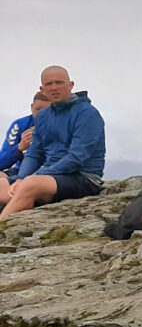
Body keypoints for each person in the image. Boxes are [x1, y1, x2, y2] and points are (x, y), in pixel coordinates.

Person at [0, 66, 106, 220]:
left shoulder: (87, 114)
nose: (54, 88)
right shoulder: (43, 116)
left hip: (83, 177)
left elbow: (77, 158)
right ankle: (24, 201)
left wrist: (31, 178)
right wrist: (21, 178)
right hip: (49, 177)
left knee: (30, 185)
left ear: (71, 85)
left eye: (59, 83)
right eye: (49, 84)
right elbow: (34, 154)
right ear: (42, 89)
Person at [0, 92, 51, 182]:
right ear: (32, 107)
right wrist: (19, 148)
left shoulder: (62, 125)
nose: (41, 114)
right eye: (38, 109)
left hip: (50, 170)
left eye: (47, 110)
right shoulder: (20, 125)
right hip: (20, 170)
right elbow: (1, 162)